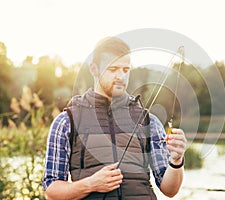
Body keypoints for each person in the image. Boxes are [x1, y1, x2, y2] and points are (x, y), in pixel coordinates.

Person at [42, 37, 187, 200]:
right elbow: (52, 191)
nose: (121, 76)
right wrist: (91, 184)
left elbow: (170, 190)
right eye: (113, 69)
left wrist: (176, 160)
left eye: (126, 70)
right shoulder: (66, 122)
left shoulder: (148, 121)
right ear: (94, 69)